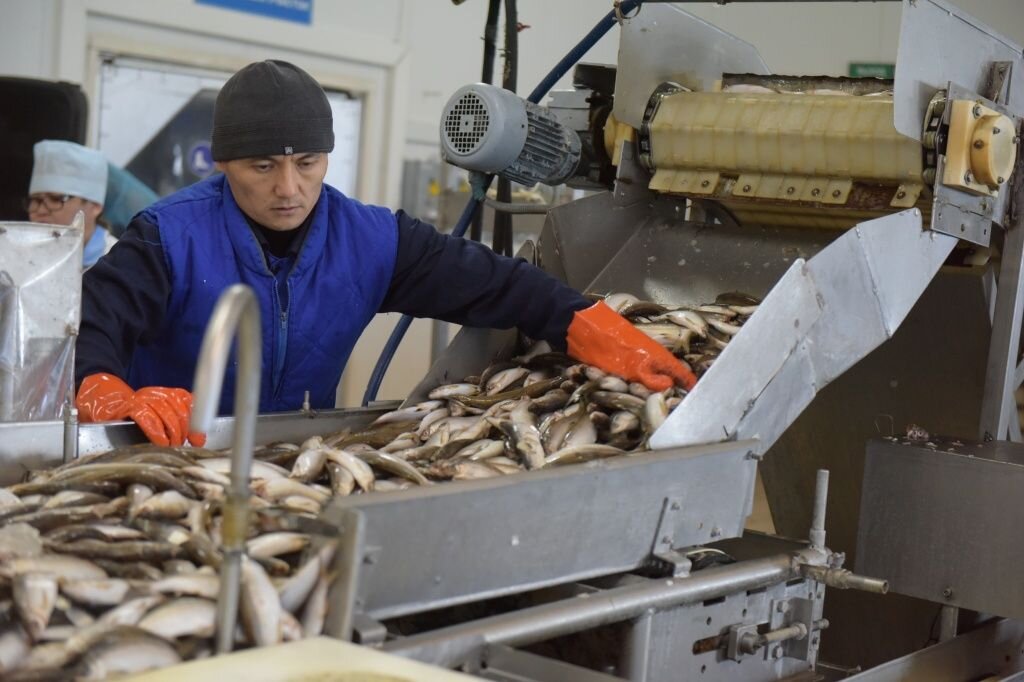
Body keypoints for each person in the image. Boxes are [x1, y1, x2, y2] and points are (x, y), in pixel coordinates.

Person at [74, 60, 696, 447]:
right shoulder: (167, 235)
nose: (288, 189)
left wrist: (583, 322)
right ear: (223, 163)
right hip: (158, 449)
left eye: (307, 163)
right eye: (263, 167)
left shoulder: (371, 240)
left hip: (277, 453)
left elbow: (493, 283)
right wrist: (110, 395)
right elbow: (91, 323)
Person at [26, 140, 117, 268]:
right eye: (36, 200)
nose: (41, 210)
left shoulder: (119, 264)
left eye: (56, 199)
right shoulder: (17, 256)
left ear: (95, 206)